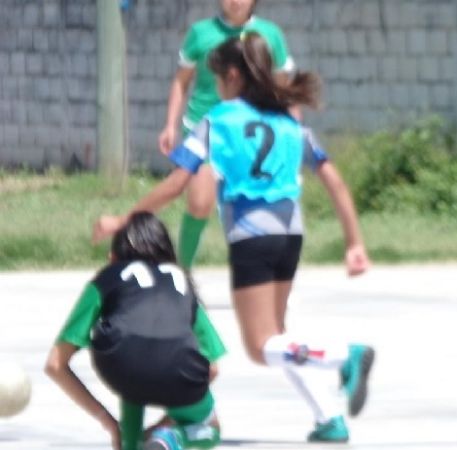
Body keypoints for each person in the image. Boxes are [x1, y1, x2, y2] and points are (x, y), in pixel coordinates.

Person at [94, 33, 375, 443]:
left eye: (217, 80)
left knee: (261, 346)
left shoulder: (219, 121)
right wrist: (354, 242)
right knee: (278, 335)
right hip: (290, 235)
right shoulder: (288, 120)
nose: (217, 89)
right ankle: (328, 417)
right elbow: (335, 181)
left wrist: (125, 219)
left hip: (253, 238)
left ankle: (343, 356)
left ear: (231, 76)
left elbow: (176, 184)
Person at [45, 212, 226, 450]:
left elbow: (55, 364)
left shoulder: (107, 278)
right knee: (209, 428)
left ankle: (132, 442)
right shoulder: (179, 280)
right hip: (179, 370)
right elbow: (212, 367)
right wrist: (167, 424)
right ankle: (175, 438)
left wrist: (108, 421)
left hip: (121, 367)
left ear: (113, 257)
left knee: (132, 359)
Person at [159, 0, 296, 268]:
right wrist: (170, 125)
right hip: (205, 128)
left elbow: (283, 88)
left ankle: (264, 272)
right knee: (200, 203)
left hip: (248, 135)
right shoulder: (201, 33)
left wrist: (289, 128)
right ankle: (182, 272)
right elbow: (181, 81)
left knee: (257, 205)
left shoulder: (270, 35)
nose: (235, 2)